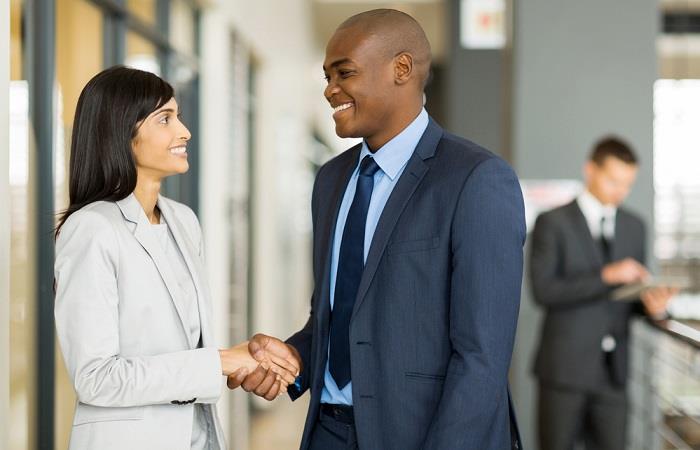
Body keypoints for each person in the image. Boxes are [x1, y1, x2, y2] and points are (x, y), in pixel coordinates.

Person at [227, 9, 525, 450]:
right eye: (327, 76)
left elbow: (482, 358)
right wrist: (295, 358)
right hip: (327, 432)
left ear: (401, 69)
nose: (330, 90)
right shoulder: (330, 181)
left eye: (343, 73)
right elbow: (336, 314)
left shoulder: (476, 179)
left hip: (423, 435)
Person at [53, 66, 299, 450]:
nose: (184, 131)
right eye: (165, 119)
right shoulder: (93, 229)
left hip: (198, 438)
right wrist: (218, 362)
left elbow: (186, 345)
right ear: (122, 133)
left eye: (178, 116)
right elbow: (96, 377)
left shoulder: (183, 220)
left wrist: (239, 361)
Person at [529, 137, 677, 450]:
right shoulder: (552, 222)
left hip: (614, 375)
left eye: (627, 184)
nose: (620, 192)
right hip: (563, 373)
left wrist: (654, 306)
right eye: (613, 181)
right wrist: (606, 275)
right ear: (590, 170)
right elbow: (543, 291)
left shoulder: (635, 225)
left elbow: (629, 296)